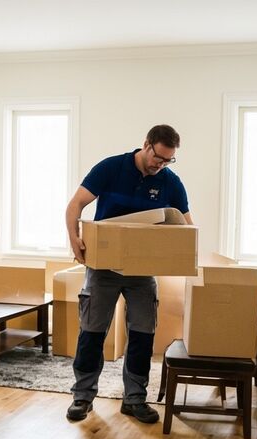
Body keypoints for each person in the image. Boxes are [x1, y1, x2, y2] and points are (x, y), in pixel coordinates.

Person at [64, 124, 193, 423]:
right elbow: (75, 205)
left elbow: (187, 228)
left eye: (167, 161)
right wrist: (74, 238)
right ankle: (82, 397)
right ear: (146, 145)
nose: (159, 165)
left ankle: (134, 399)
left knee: (142, 335)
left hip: (142, 271)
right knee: (92, 333)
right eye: (157, 157)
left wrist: (183, 255)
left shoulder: (171, 183)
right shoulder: (111, 168)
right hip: (102, 269)